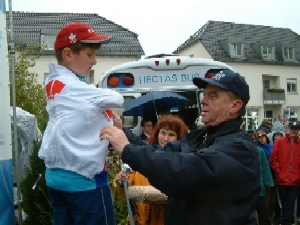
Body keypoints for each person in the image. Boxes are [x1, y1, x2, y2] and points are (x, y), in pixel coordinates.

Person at [100, 69, 260, 225]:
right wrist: (123, 133)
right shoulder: (204, 137)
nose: (203, 100)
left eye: (213, 95)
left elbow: (183, 171)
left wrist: (127, 149)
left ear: (235, 106)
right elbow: (161, 153)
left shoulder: (240, 149)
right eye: (204, 94)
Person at [38, 22, 124, 225]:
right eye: (89, 54)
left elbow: (79, 116)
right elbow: (116, 98)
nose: (94, 61)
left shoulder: (55, 83)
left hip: (57, 178)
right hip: (85, 179)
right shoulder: (73, 86)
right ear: (67, 54)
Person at [113, 115, 189, 225]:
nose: (166, 138)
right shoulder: (145, 155)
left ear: (179, 138)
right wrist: (121, 182)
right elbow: (123, 191)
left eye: (171, 135)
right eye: (163, 133)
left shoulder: (182, 163)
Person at [270, 122, 300, 225]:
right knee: (284, 203)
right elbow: (274, 159)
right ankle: (289, 220)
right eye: (292, 128)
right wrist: (279, 172)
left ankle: (286, 221)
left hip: (296, 180)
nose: (294, 131)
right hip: (282, 180)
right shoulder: (280, 142)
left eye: (296, 129)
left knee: (290, 202)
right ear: (288, 128)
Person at [247, 130, 274, 225]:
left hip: (259, 187)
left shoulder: (260, 151)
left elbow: (265, 168)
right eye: (250, 138)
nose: (252, 140)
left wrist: (269, 182)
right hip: (247, 189)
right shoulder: (242, 152)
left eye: (253, 139)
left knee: (263, 212)